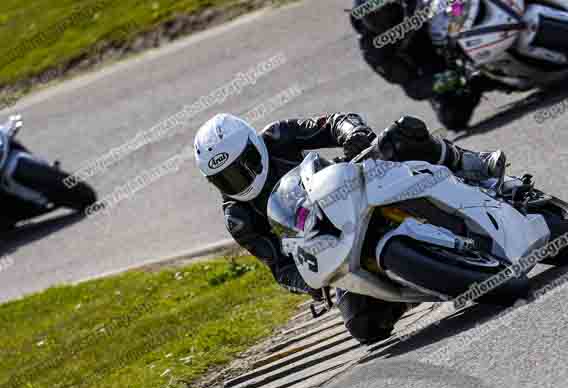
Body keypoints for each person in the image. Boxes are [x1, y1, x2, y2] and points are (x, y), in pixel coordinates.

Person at [194, 112, 505, 342]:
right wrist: (312, 282)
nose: (240, 179)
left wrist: (352, 133)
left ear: (254, 145)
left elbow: (335, 122)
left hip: (348, 191)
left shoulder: (278, 136)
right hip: (329, 246)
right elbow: (280, 268)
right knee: (365, 327)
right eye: (225, 178)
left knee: (401, 135)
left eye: (241, 166)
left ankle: (473, 163)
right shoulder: (238, 217)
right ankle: (422, 279)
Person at [350, 0, 491, 130]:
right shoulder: (373, 48)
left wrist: (458, 10)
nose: (382, 18)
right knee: (453, 117)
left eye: (385, 10)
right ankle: (479, 78)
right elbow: (411, 85)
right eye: (372, 17)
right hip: (431, 62)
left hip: (447, 29)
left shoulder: (412, 4)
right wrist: (444, 80)